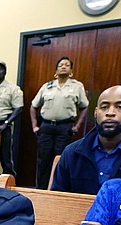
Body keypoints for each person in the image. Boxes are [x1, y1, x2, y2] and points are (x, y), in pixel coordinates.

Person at [51, 85, 121, 194]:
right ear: (96, 112)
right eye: (104, 107)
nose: (110, 113)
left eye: (120, 107)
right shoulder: (72, 153)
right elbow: (57, 198)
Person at [29, 56, 89, 189]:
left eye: (67, 65)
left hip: (64, 127)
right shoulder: (47, 86)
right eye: (61, 64)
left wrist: (77, 125)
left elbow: (84, 106)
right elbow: (33, 106)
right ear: (55, 71)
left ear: (71, 71)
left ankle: (56, 189)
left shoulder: (77, 86)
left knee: (61, 159)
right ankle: (41, 189)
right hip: (46, 127)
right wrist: (34, 125)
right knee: (43, 160)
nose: (63, 66)